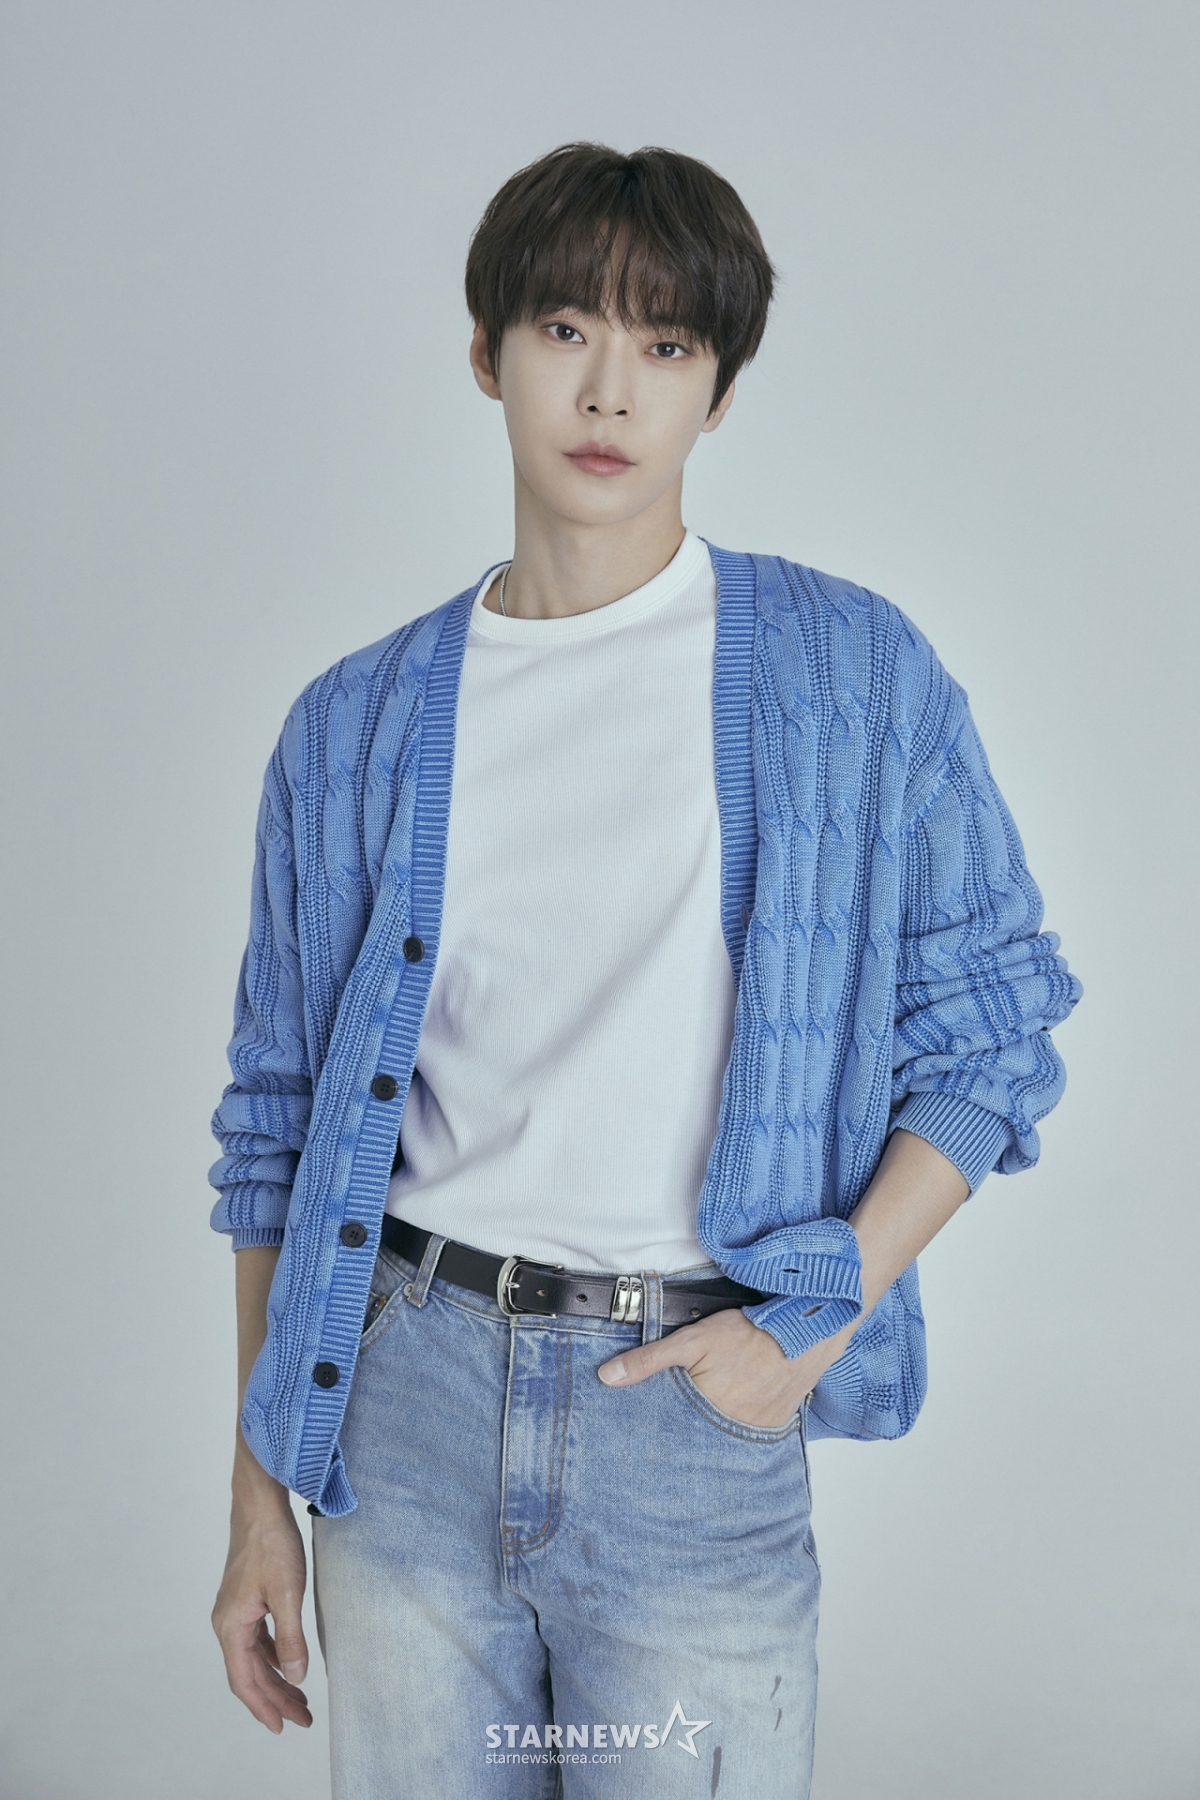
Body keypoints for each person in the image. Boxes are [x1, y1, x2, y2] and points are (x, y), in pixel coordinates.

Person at [208, 142, 1081, 1799]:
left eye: (667, 347)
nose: (610, 391)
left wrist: (812, 1321)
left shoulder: (852, 676)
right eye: (565, 330)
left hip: (691, 1423)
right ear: (488, 355)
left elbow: (991, 1039)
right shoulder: (353, 727)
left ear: (719, 391)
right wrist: (261, 1493)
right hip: (402, 1419)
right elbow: (277, 1128)